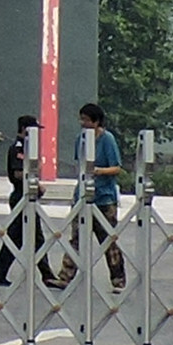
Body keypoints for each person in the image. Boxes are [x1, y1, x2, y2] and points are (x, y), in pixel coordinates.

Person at [0, 115, 50, 286]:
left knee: (28, 237)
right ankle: (45, 274)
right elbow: (18, 173)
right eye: (33, 130)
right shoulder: (18, 148)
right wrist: (35, 176)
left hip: (27, 194)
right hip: (21, 195)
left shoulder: (27, 148)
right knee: (24, 237)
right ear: (24, 129)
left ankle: (44, 274)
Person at [75, 100, 130, 288]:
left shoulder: (107, 139)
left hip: (104, 198)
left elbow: (116, 168)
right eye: (81, 119)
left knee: (108, 241)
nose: (83, 123)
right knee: (76, 239)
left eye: (86, 120)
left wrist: (98, 171)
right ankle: (66, 276)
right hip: (82, 196)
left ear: (96, 121)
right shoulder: (80, 139)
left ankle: (118, 278)